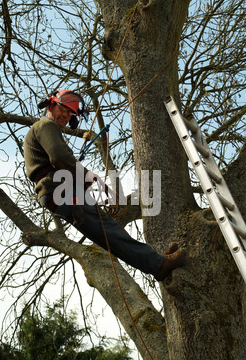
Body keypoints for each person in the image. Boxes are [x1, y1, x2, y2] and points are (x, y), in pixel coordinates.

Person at [23, 89, 186, 282]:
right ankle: (157, 265)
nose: (66, 116)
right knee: (109, 232)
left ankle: (155, 259)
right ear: (51, 104)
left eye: (70, 114)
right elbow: (59, 156)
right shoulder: (45, 126)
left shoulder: (46, 129)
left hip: (61, 191)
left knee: (109, 231)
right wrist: (86, 175)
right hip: (60, 190)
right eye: (63, 109)